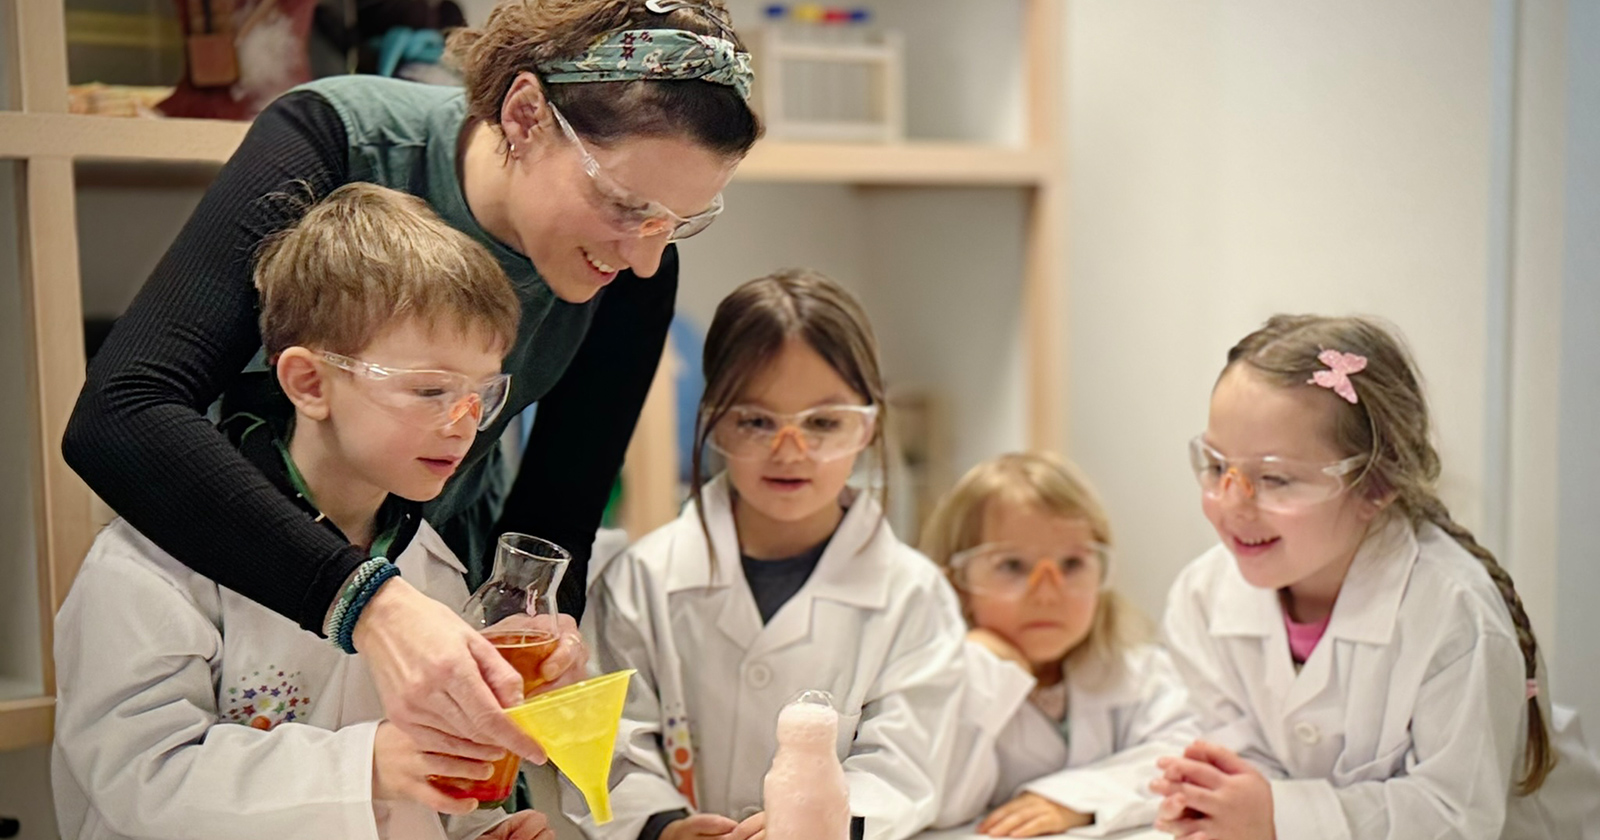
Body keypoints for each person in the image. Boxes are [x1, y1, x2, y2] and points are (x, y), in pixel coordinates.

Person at [60, 0, 764, 767]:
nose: (644, 258)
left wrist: (526, 638)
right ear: (525, 114)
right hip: (240, 579)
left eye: (680, 221)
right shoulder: (335, 142)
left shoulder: (632, 274)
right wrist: (368, 603)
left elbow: (551, 528)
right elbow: (121, 413)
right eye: (626, 205)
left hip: (429, 584)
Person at [53, 184, 563, 840]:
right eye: (432, 390)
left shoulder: (426, 565)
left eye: (483, 394)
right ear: (309, 383)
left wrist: (466, 832)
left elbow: (417, 792)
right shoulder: (150, 563)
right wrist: (367, 765)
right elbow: (140, 777)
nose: (464, 424)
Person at [1152, 314, 1600, 840]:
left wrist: (1278, 815)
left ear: (1376, 484)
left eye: (1274, 478)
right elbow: (1232, 750)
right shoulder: (1202, 597)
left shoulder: (1453, 614)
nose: (1231, 503)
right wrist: (1214, 802)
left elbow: (1455, 817)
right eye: (1215, 465)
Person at [570, 269, 969, 840]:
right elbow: (610, 749)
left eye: (824, 423)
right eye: (757, 421)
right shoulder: (641, 581)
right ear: (714, 423)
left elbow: (902, 771)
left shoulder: (914, 598)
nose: (790, 452)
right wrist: (664, 828)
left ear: (867, 428)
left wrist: (812, 826)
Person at [922, 452, 1195, 837]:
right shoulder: (934, 686)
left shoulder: (1137, 672)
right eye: (1011, 566)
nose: (1048, 595)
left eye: (1071, 565)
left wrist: (1073, 798)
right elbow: (937, 801)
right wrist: (986, 675)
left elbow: (1184, 758)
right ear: (956, 582)